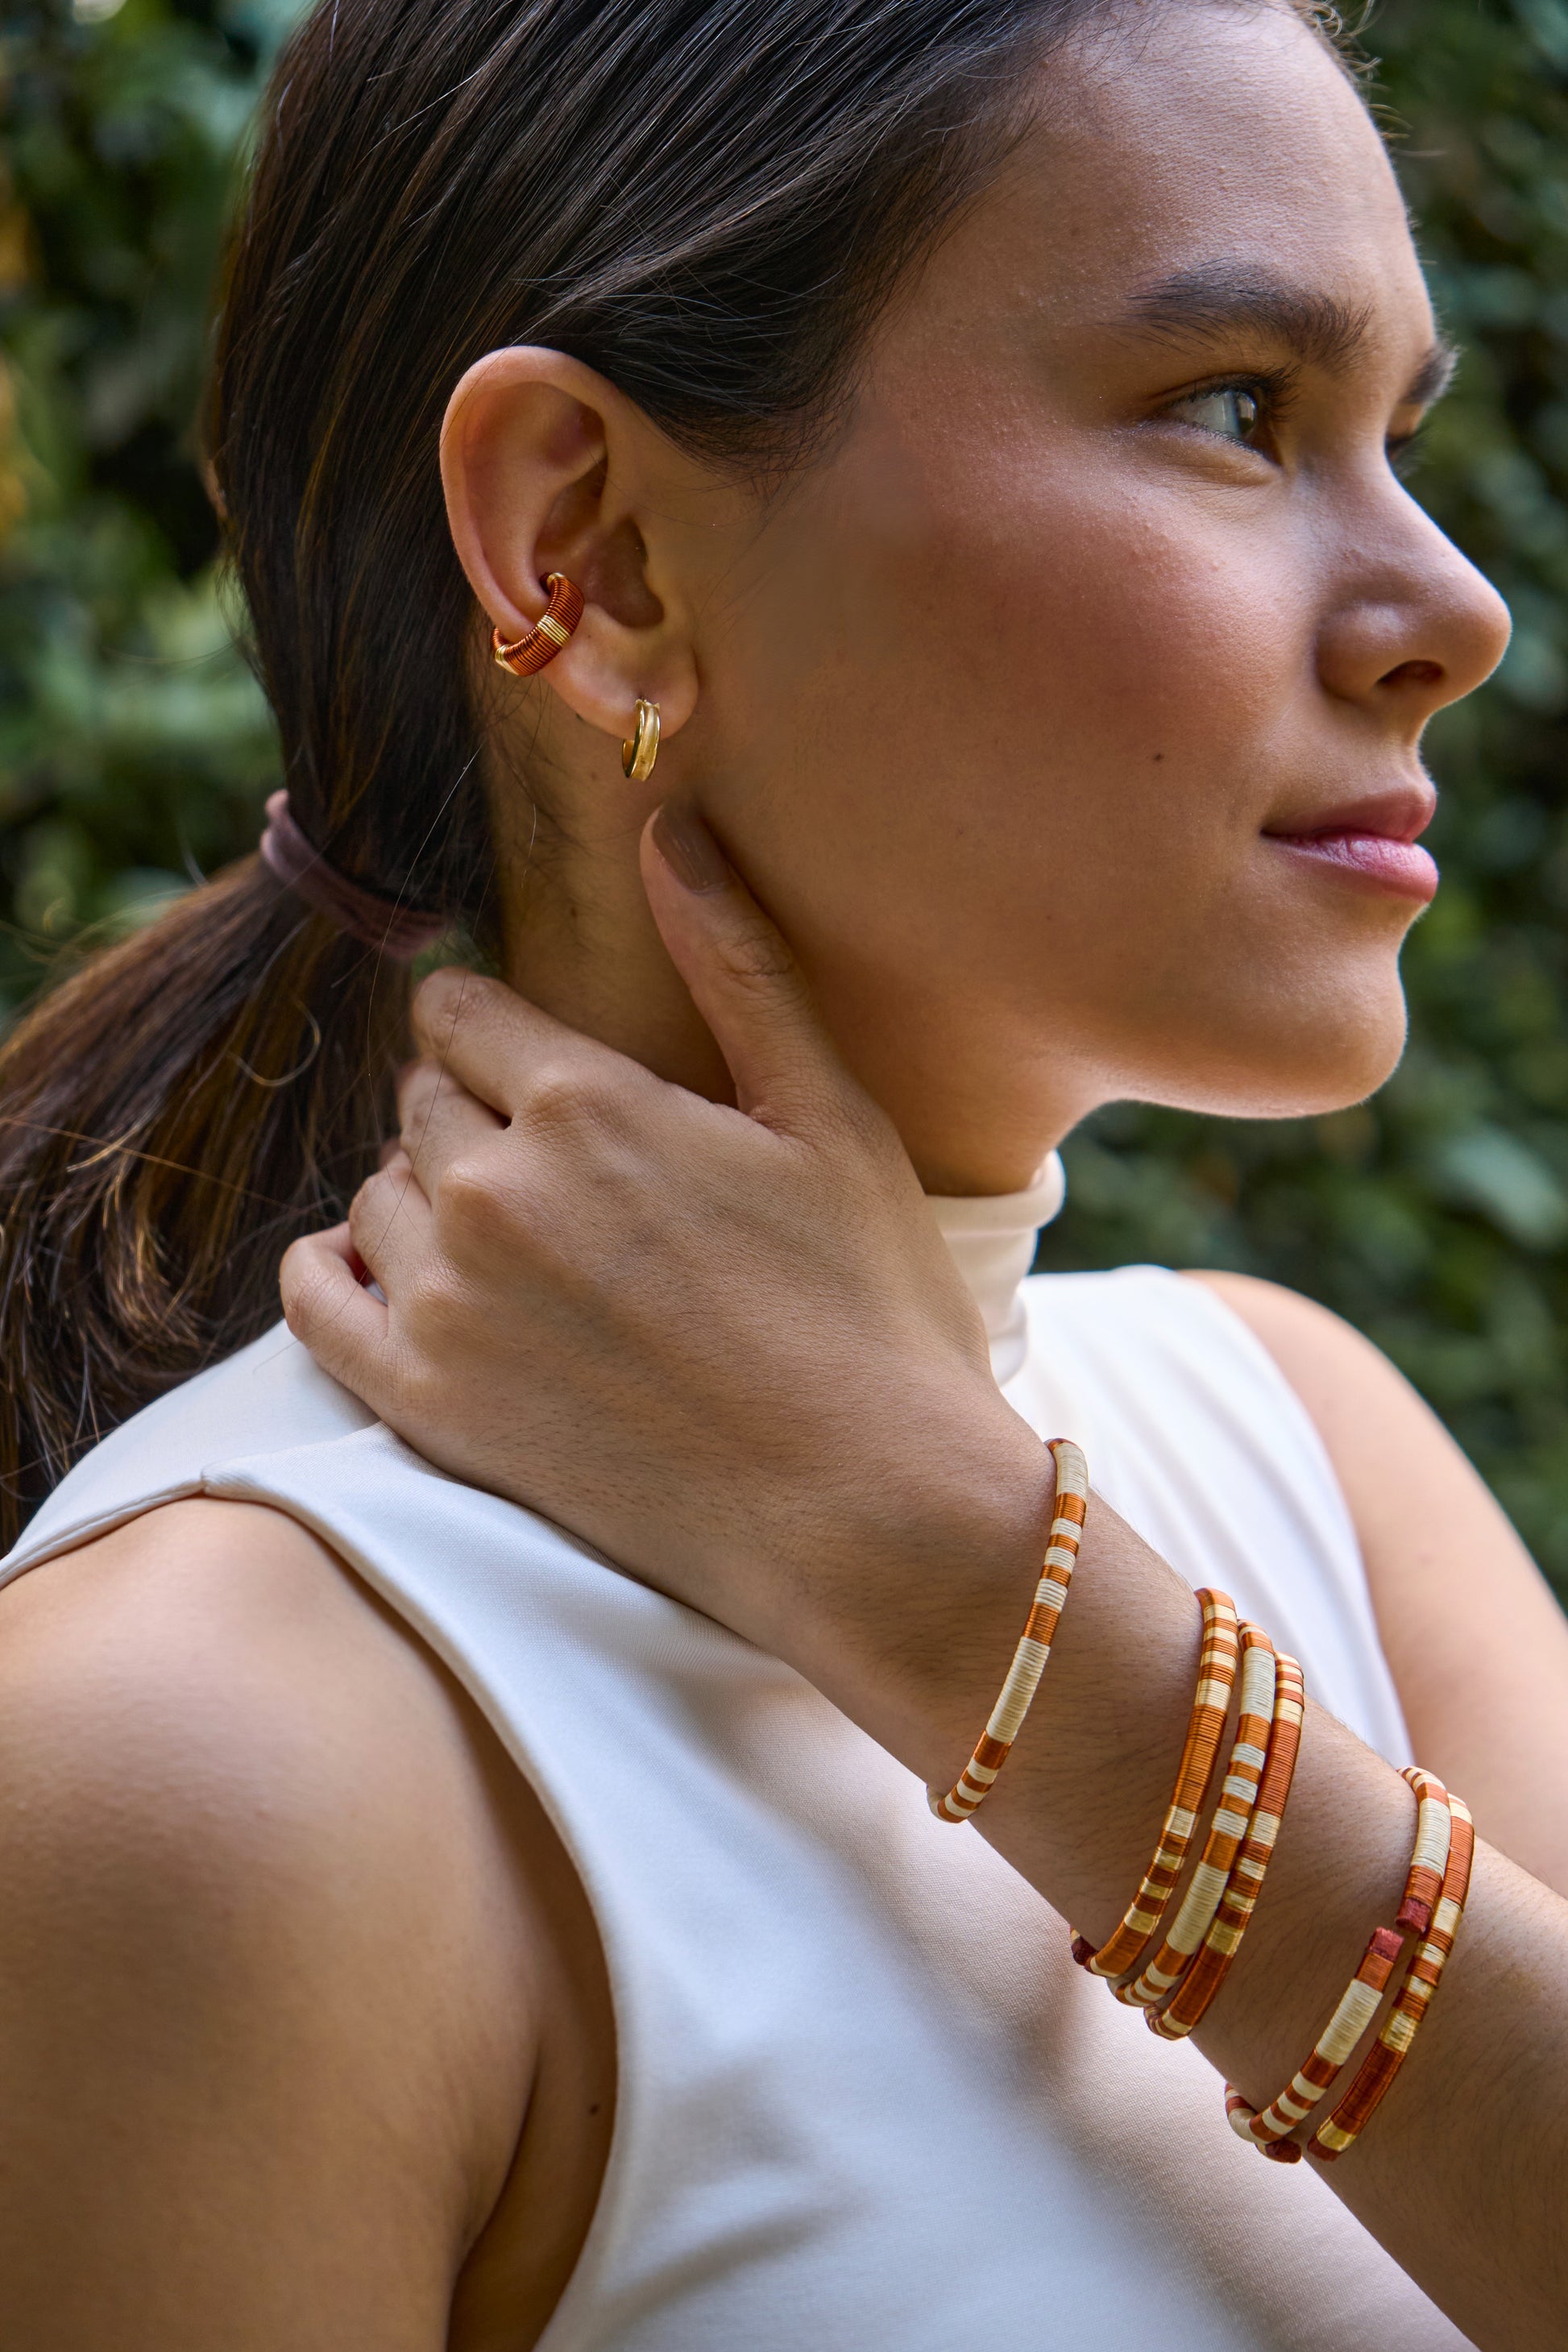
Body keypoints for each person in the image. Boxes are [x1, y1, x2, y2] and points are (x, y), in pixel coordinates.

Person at [2, 0, 1566, 2342]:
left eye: (1396, 440)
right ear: (594, 548)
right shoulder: (197, 1758)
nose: (1455, 612)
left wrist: (961, 1577)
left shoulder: (1301, 1443)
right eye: (1236, 410)